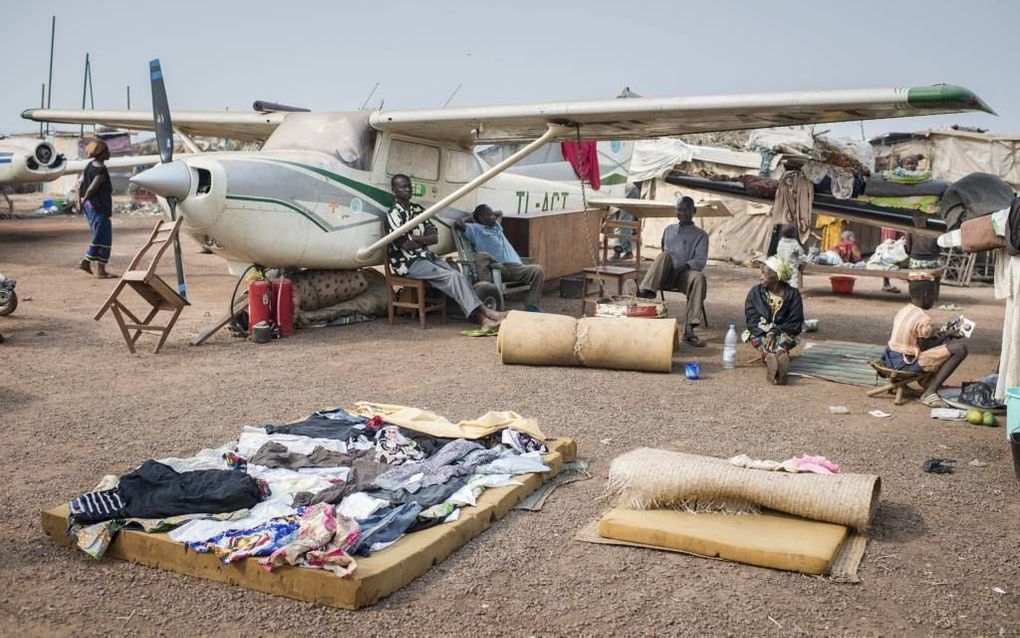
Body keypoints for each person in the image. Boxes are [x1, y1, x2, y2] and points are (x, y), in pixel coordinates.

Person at [385, 174, 505, 329]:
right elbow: (406, 246)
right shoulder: (393, 214)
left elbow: (434, 238)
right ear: (394, 189)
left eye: (409, 186)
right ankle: (486, 314)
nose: (407, 189)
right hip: (408, 263)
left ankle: (484, 319)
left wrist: (416, 239)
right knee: (452, 276)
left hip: (426, 257)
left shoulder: (418, 209)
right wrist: (423, 238)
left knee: (458, 276)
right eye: (402, 187)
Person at [882, 274, 968, 407]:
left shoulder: (904, 310)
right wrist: (947, 335)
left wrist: (941, 334)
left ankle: (927, 382)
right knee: (960, 349)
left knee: (946, 344)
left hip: (890, 357)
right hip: (905, 363)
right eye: (934, 295)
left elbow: (914, 336)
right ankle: (930, 391)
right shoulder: (924, 319)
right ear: (927, 294)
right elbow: (926, 349)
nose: (935, 299)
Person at [637, 196, 708, 347]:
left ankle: (689, 329)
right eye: (678, 210)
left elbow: (700, 261)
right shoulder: (669, 230)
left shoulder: (701, 235)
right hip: (665, 273)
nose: (680, 213)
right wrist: (671, 266)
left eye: (685, 210)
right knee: (664, 256)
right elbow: (664, 252)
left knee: (699, 278)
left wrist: (682, 268)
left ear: (693, 211)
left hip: (684, 276)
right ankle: (644, 295)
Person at [454, 204, 545, 311]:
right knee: (537, 270)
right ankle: (532, 307)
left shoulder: (495, 226)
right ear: (481, 217)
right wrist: (471, 217)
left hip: (517, 267)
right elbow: (458, 223)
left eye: (492, 214)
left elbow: (500, 213)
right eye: (489, 214)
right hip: (505, 268)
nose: (493, 216)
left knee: (538, 271)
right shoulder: (476, 230)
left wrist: (490, 214)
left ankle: (531, 305)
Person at [742, 256, 804, 385]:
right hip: (761, 331)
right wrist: (767, 331)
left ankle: (773, 356)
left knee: (783, 340)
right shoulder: (755, 293)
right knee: (756, 337)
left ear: (776, 276)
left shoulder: (793, 295)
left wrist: (775, 331)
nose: (761, 277)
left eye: (764, 273)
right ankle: (778, 357)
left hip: (784, 332)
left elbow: (795, 322)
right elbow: (752, 320)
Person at [77, 140, 116, 278]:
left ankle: (101, 271)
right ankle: (86, 261)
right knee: (101, 235)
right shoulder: (101, 170)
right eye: (107, 150)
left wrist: (80, 201)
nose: (109, 153)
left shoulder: (89, 165)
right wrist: (85, 198)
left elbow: (79, 183)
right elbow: (92, 187)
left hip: (91, 206)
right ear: (101, 153)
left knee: (105, 237)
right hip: (97, 207)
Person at [774, 224, 804, 289]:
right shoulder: (794, 243)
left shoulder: (780, 242)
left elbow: (778, 252)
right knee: (793, 281)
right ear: (794, 234)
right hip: (791, 266)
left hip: (781, 265)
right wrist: (802, 263)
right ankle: (792, 294)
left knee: (782, 280)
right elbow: (801, 253)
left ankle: (783, 293)